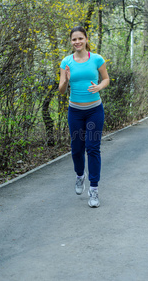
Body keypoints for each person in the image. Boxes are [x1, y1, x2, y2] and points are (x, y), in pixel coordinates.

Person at [59, 26, 110, 208]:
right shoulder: (66, 62)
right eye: (74, 39)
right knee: (77, 148)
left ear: (86, 39)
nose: (77, 42)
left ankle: (94, 189)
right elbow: (61, 90)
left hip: (94, 110)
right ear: (71, 42)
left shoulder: (97, 59)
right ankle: (80, 175)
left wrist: (99, 87)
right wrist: (65, 79)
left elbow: (106, 78)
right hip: (75, 112)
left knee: (93, 148)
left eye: (80, 38)